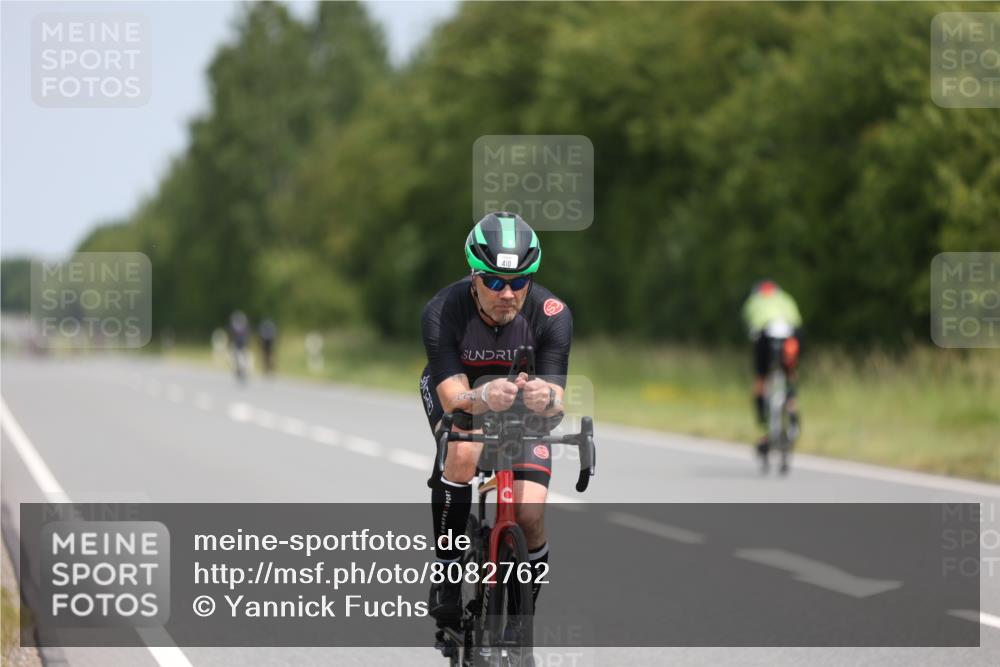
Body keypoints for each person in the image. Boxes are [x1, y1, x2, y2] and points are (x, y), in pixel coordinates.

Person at [420, 212, 572, 625]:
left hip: (522, 408)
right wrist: (484, 394)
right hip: (463, 394)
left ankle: (522, 613)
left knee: (529, 515)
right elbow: (453, 396)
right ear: (474, 276)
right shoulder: (443, 310)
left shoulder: (552, 314)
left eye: (520, 282)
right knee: (464, 452)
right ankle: (448, 570)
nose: (508, 293)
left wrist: (547, 397)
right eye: (495, 282)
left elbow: (558, 396)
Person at [742, 280, 803, 460]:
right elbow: (797, 321)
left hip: (766, 335)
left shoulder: (754, 301)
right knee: (790, 371)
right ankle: (791, 407)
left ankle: (762, 421)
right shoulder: (785, 298)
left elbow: (750, 325)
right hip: (791, 336)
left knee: (761, 378)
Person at [228, 310, 251, 383]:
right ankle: (241, 370)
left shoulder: (235, 325)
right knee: (240, 357)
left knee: (238, 357)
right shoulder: (244, 326)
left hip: (239, 343)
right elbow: (247, 334)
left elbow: (231, 334)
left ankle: (240, 370)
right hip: (241, 343)